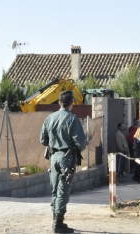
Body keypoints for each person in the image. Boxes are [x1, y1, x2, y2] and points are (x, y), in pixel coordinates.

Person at [40, 90, 87, 233]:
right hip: (66, 158)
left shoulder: (50, 118)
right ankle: (58, 224)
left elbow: (43, 140)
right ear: (72, 103)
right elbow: (81, 143)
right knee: (63, 190)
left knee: (55, 189)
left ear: (59, 102)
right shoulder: (72, 119)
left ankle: (56, 219)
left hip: (53, 157)